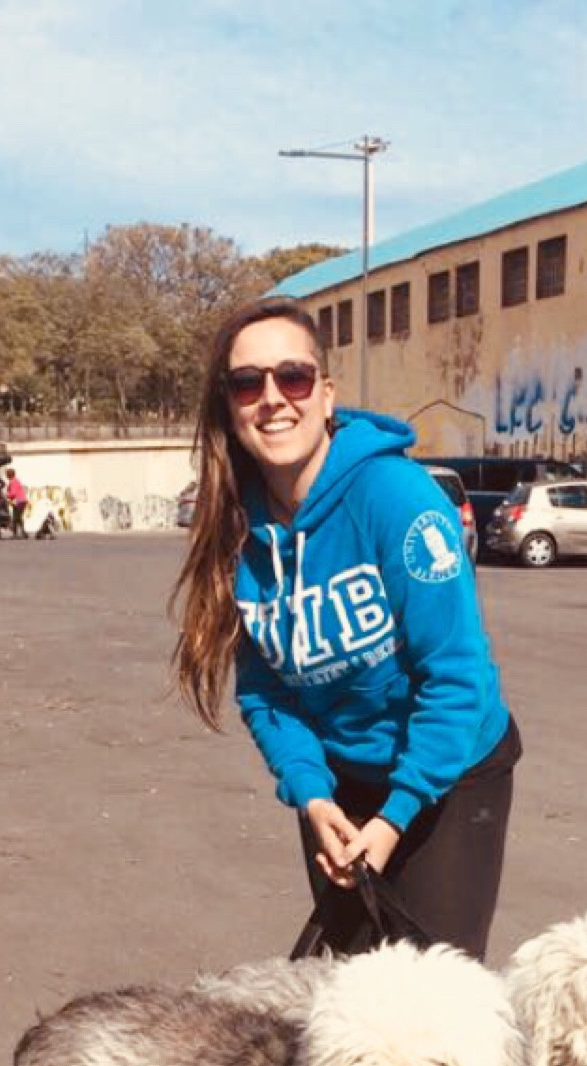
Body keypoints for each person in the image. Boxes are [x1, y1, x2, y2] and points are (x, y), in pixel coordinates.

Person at [171, 298, 520, 960]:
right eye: (247, 383)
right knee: (349, 992)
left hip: (449, 771)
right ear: (229, 406)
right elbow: (266, 691)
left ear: (326, 394)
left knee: (434, 997)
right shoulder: (236, 526)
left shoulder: (397, 499)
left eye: (293, 377)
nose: (272, 398)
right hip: (340, 782)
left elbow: (455, 677)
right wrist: (310, 793)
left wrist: (395, 815)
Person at [5, 468, 28, 539]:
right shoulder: (15, 481)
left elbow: (13, 493)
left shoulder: (13, 482)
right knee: (18, 518)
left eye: (7, 474)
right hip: (21, 501)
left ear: (8, 475)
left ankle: (16, 534)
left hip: (19, 501)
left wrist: (6, 495)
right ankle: (24, 533)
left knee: (16, 518)